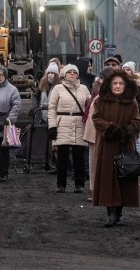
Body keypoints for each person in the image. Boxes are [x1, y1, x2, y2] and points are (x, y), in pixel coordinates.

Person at [92, 69, 140, 227]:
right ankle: (110, 212)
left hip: (124, 145)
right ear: (110, 85)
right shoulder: (101, 101)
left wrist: (127, 131)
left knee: (123, 178)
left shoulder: (132, 102)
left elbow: (137, 121)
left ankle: (119, 210)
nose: (118, 86)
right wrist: (111, 129)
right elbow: (96, 119)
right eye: (115, 83)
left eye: (121, 83)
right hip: (108, 145)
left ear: (125, 85)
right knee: (108, 178)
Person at [48, 64, 91, 193]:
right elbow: (52, 108)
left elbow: (90, 106)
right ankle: (61, 184)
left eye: (74, 72)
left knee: (79, 157)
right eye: (69, 72)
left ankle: (79, 184)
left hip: (79, 124)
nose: (72, 74)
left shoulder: (84, 89)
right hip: (62, 124)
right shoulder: (58, 88)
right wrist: (52, 126)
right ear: (64, 74)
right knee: (62, 157)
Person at [83, 65, 116, 202]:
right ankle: (97, 191)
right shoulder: (102, 94)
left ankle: (97, 190)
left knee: (96, 164)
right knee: (96, 164)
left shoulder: (97, 91)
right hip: (97, 132)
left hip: (96, 132)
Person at [30, 62, 60, 172]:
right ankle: (47, 162)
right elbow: (36, 96)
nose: (50, 75)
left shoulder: (59, 86)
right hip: (43, 116)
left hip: (55, 117)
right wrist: (34, 107)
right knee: (45, 141)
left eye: (53, 73)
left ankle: (55, 163)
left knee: (54, 142)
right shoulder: (43, 84)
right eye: (49, 73)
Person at [121, 61, 140, 153]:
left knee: (136, 136)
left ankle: (137, 157)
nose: (125, 71)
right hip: (123, 115)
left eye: (128, 70)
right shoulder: (119, 83)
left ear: (132, 72)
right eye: (124, 69)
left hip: (136, 114)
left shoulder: (139, 84)